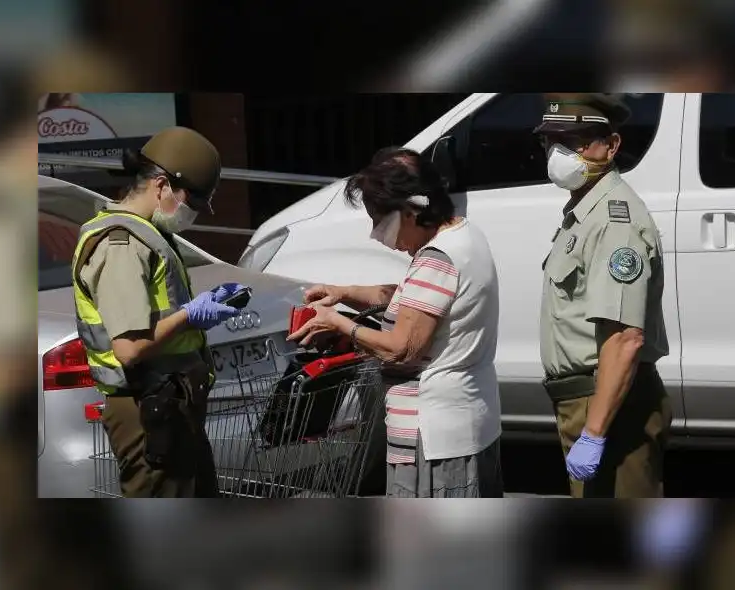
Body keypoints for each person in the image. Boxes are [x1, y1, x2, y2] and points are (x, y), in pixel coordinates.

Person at [287, 147, 504, 498]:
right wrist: (343, 293)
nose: (377, 234)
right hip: (467, 420)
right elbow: (412, 299)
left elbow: (402, 349)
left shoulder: (437, 259)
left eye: (379, 220)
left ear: (410, 211)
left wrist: (340, 325)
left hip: (434, 435)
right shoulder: (464, 235)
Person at [71, 126, 246, 498]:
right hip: (146, 410)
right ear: (162, 185)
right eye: (192, 202)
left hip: (169, 403)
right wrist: (191, 316)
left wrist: (200, 308)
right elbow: (129, 348)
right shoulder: (121, 244)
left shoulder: (147, 234)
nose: (193, 214)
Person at [535, 93, 672, 498]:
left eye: (573, 142)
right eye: (550, 141)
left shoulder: (615, 221)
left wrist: (594, 432)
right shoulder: (585, 212)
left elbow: (625, 338)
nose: (558, 153)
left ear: (611, 146)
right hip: (588, 401)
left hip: (611, 404)